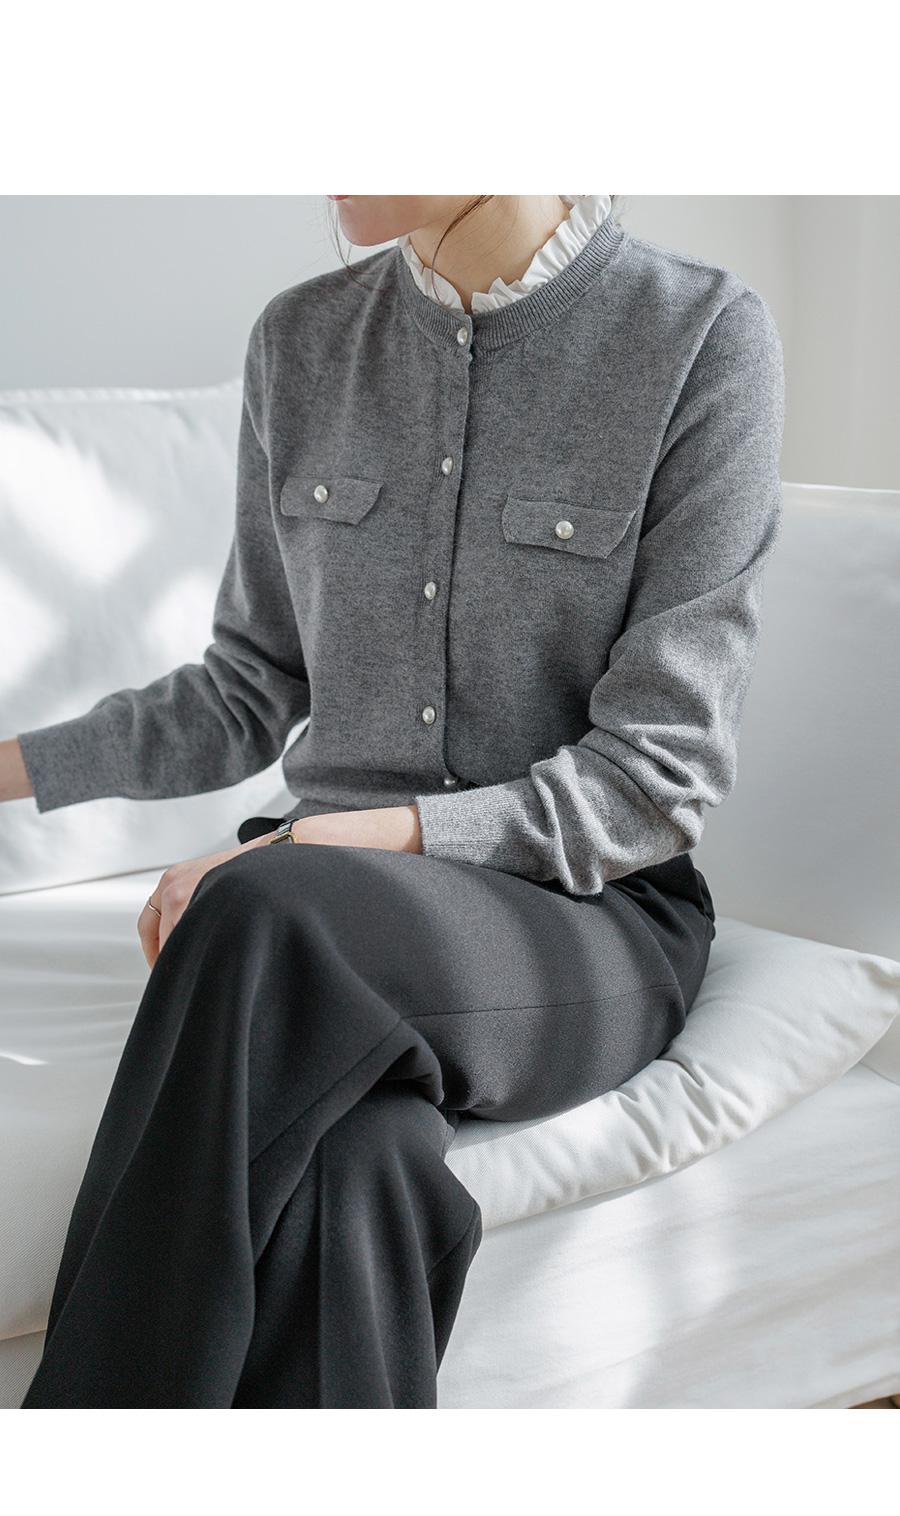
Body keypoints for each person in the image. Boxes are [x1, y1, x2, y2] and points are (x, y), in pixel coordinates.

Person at [4, 194, 785, 1409]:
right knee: (353, 1171)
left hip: (587, 915)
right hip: (327, 910)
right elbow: (247, 686)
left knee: (262, 912)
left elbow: (653, 779)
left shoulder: (698, 334)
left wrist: (319, 846)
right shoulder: (302, 339)